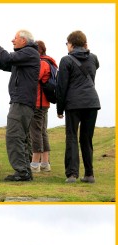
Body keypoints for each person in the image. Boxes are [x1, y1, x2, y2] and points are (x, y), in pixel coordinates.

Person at [0, 30, 40, 181]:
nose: (12, 40)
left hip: (21, 102)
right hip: (22, 102)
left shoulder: (29, 52)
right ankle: (25, 172)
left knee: (14, 136)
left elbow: (8, 57)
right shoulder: (25, 57)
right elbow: (5, 64)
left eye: (15, 38)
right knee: (21, 137)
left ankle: (22, 172)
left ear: (23, 40)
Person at [56, 30, 101, 184]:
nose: (66, 46)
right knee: (87, 139)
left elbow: (61, 87)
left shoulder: (66, 60)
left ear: (72, 45)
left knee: (72, 138)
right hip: (92, 102)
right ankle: (89, 174)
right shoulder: (94, 58)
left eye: (67, 43)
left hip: (73, 104)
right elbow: (95, 69)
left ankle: (72, 175)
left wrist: (59, 109)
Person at [30, 40, 58, 174]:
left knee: (35, 132)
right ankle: (45, 163)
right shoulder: (50, 62)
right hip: (44, 103)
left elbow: (33, 78)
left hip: (38, 102)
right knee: (42, 132)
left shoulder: (41, 63)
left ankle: (35, 163)